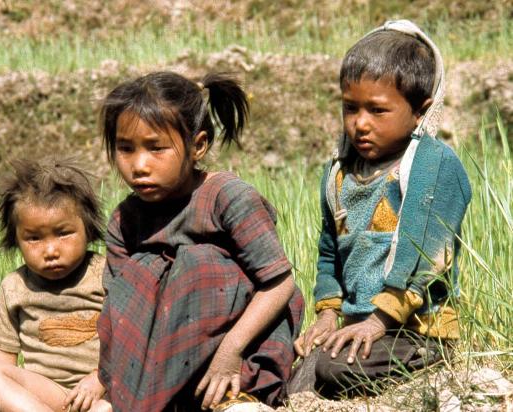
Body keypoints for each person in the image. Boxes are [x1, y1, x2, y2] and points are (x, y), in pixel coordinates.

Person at [91, 71, 304, 412]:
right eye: (125, 149)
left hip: (240, 351)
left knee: (198, 265)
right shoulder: (124, 220)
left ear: (198, 146)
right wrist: (103, 378)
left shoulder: (228, 198)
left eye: (156, 148)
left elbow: (279, 283)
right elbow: (118, 310)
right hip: (160, 361)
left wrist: (230, 351)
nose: (139, 165)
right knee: (141, 273)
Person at [290, 20, 472, 397]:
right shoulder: (339, 174)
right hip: (363, 326)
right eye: (350, 108)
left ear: (420, 112)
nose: (360, 124)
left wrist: (378, 321)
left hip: (415, 331)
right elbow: (329, 252)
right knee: (297, 377)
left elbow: (423, 254)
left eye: (377, 110)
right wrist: (327, 314)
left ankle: (431, 368)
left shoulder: (432, 166)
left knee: (332, 367)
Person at [0, 157, 107, 412]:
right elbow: (4, 365)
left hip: (99, 392)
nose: (51, 250)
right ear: (16, 241)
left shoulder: (106, 275)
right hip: (43, 395)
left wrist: (100, 378)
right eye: (34, 238)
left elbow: (130, 344)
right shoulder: (15, 287)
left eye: (64, 233)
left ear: (88, 230)